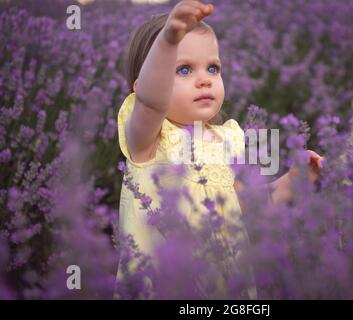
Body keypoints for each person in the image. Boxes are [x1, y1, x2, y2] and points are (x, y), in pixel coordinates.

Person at [116, 0, 323, 299]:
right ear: (142, 85)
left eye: (213, 68)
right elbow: (151, 101)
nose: (204, 80)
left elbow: (244, 204)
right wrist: (167, 41)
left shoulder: (226, 139)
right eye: (184, 69)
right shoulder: (147, 141)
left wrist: (292, 180)